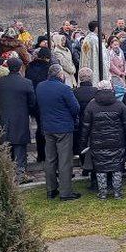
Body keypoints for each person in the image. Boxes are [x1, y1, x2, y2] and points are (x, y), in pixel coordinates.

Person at [36, 63, 82, 200]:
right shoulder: (65, 89)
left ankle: (51, 189)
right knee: (64, 160)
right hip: (63, 128)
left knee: (50, 159)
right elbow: (76, 108)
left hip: (47, 127)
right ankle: (65, 192)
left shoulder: (40, 87)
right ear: (60, 74)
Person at [82, 80, 126, 199]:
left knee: (100, 167)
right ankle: (117, 192)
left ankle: (102, 193)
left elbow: (86, 126)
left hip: (97, 142)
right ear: (111, 89)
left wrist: (82, 143)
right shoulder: (120, 105)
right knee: (117, 166)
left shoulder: (91, 105)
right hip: (117, 141)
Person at [0, 58, 36, 175]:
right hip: (20, 120)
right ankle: (20, 174)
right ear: (21, 68)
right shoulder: (26, 83)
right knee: (20, 148)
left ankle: (6, 174)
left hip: (3, 119)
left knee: (5, 148)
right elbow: (32, 103)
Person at [73, 67, 98, 189]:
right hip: (94, 123)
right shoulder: (96, 91)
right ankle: (90, 168)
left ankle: (84, 167)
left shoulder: (75, 92)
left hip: (81, 123)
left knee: (82, 145)